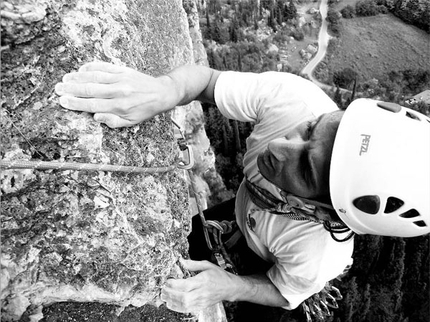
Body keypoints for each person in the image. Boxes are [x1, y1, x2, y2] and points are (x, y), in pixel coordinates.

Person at [54, 62, 430, 316]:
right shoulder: (295, 100)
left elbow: (283, 291)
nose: (280, 148)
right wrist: (163, 90)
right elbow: (206, 81)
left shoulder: (317, 253)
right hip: (245, 212)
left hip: (272, 262)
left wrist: (230, 287)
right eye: (312, 129)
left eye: (306, 168)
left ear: (323, 212)